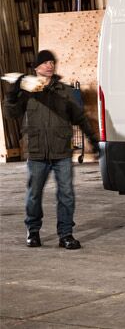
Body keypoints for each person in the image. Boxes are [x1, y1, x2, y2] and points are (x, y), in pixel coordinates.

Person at [2, 50, 100, 249]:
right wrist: (12, 94)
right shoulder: (28, 91)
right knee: (34, 195)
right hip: (37, 151)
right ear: (36, 67)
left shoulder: (64, 91)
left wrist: (92, 139)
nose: (50, 65)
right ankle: (33, 231)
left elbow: (79, 117)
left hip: (61, 151)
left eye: (51, 62)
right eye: (45, 62)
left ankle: (66, 235)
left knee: (66, 195)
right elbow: (10, 113)